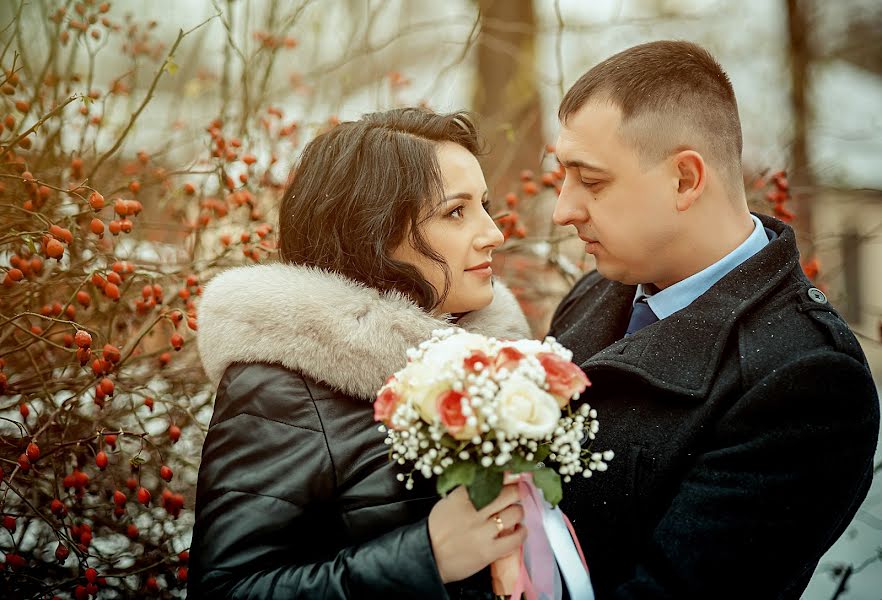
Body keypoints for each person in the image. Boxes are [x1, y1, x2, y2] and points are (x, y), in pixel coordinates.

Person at [547, 40, 880, 598]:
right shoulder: (594, 293)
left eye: (593, 181)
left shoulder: (807, 377)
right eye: (562, 176)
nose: (562, 210)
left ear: (685, 179)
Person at [188, 108, 532, 599]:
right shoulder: (282, 388)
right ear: (373, 233)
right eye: (457, 211)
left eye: (484, 204)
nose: (494, 232)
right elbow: (227, 590)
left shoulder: (498, 365)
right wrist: (426, 556)